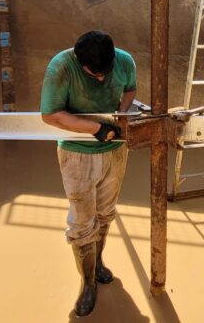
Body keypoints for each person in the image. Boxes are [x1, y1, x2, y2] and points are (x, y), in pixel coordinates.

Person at [40, 30, 137, 317]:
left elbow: (130, 90)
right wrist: (95, 128)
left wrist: (121, 113)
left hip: (115, 151)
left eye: (106, 73)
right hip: (77, 154)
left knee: (105, 213)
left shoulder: (124, 61)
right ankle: (88, 283)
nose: (102, 79)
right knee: (82, 223)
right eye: (94, 75)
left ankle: (97, 263)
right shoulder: (61, 67)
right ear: (80, 62)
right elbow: (50, 115)